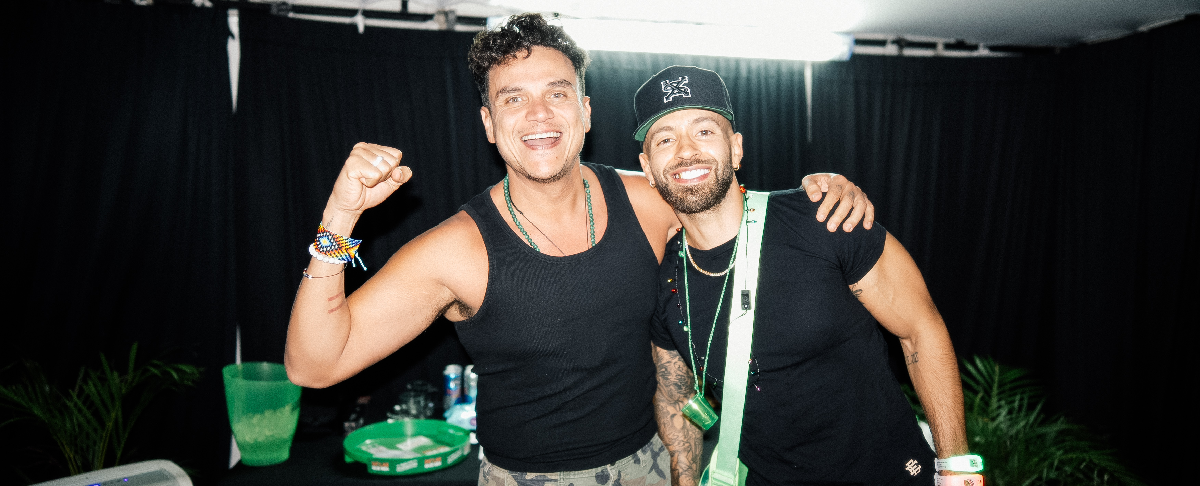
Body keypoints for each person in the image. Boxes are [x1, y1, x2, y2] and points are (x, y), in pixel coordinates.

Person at [285, 14, 874, 485]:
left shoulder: (648, 200)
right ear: (489, 124)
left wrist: (818, 188)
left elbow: (738, 204)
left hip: (649, 462)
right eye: (514, 99)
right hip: (522, 477)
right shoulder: (456, 251)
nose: (539, 114)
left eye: (557, 93)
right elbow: (314, 364)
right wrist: (341, 215)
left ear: (585, 112)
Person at [637, 66, 972, 485]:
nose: (686, 151)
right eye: (665, 139)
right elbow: (675, 394)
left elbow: (921, 329)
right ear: (648, 168)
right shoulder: (664, 280)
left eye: (704, 131)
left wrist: (958, 469)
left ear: (736, 149)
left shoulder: (825, 217)